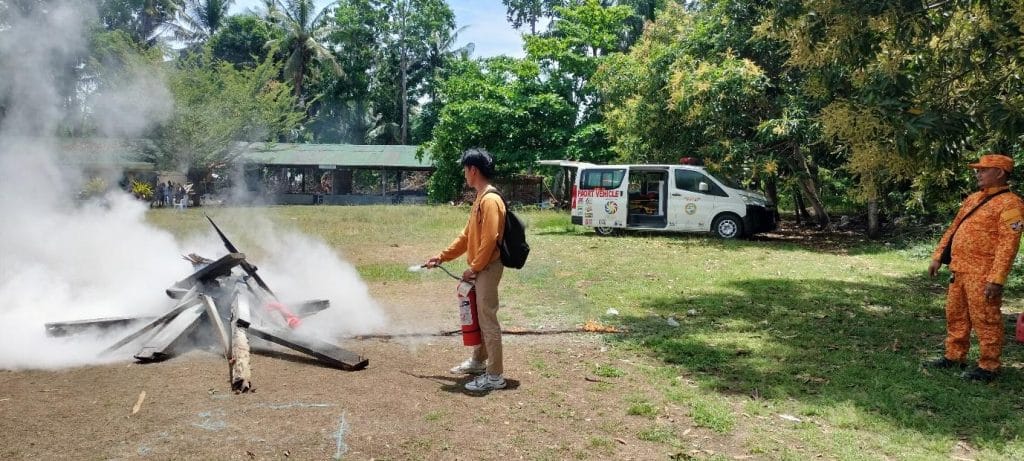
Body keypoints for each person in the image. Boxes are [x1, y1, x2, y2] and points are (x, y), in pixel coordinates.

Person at [927, 154, 1024, 382]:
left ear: (999, 173)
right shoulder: (972, 199)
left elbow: (1009, 244)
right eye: (977, 170)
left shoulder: (1011, 204)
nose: (978, 174)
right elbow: (954, 228)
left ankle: (989, 366)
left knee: (986, 319)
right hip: (959, 269)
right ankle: (954, 355)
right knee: (955, 314)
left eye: (983, 170)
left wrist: (997, 278)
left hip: (983, 273)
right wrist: (938, 256)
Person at [424, 148, 508, 392]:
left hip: (488, 268)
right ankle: (478, 362)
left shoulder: (490, 200)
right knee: (481, 317)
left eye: (465, 169)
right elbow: (467, 237)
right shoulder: (480, 198)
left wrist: (474, 268)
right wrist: (441, 257)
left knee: (487, 318)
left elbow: (490, 239)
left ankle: (494, 375)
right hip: (481, 267)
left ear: (473, 170)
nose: (464, 174)